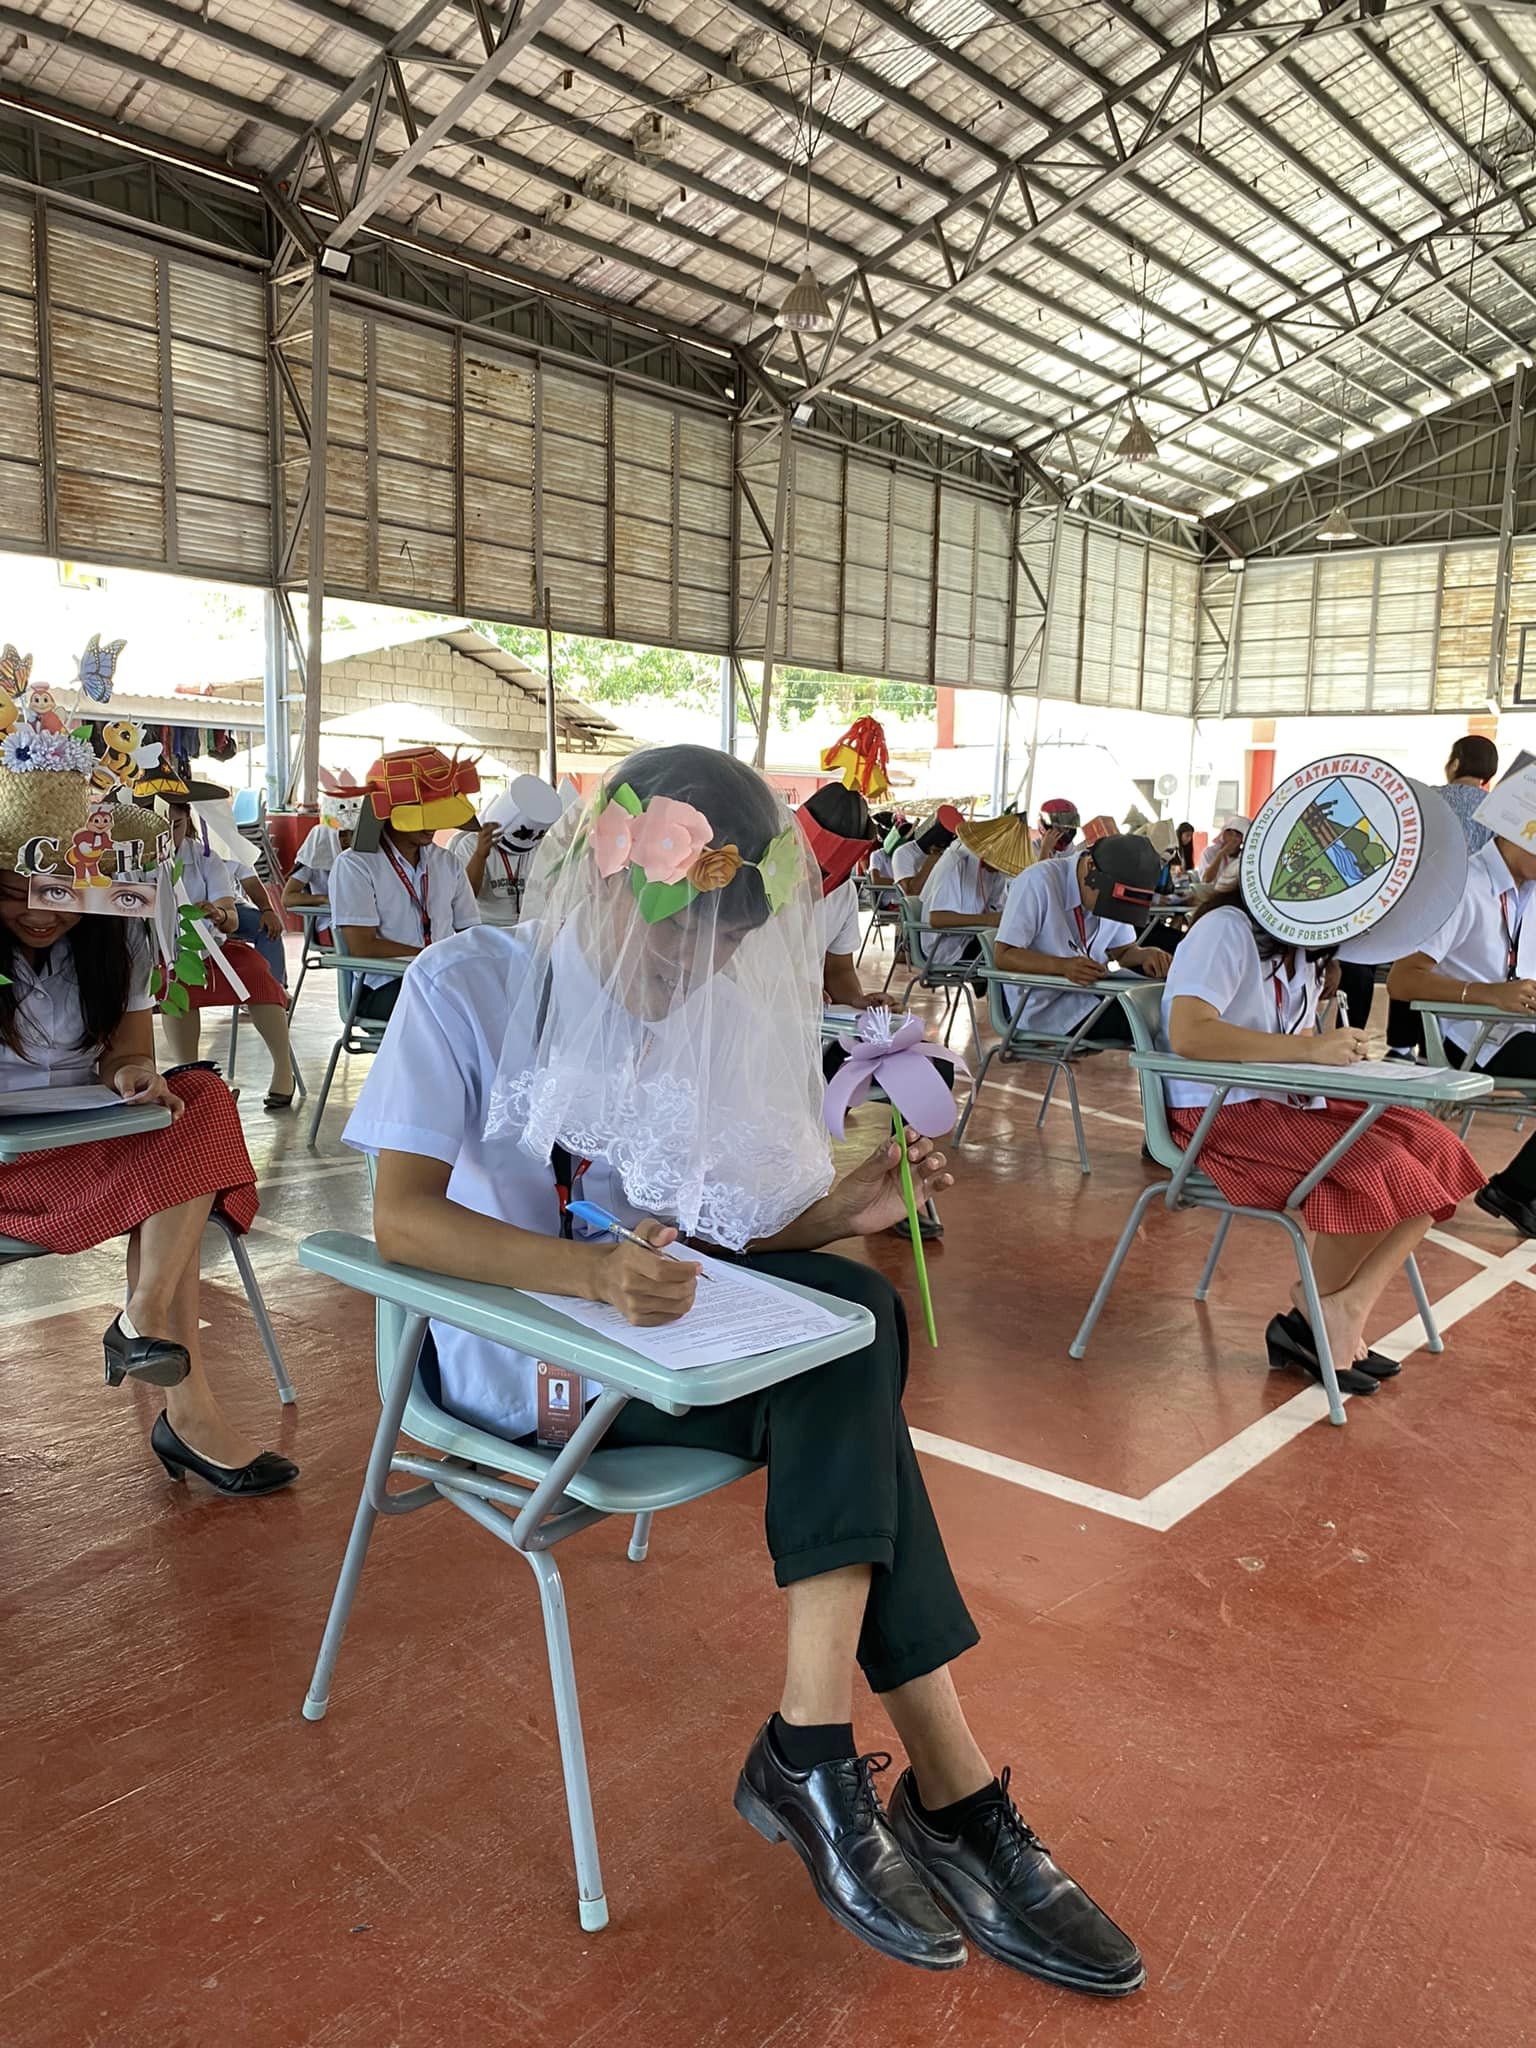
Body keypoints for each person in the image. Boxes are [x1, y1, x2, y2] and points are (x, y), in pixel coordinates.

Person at [345, 744, 1143, 1992]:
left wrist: (846, 1209)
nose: (692, 980)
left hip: (659, 1342)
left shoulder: (686, 1011)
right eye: (679, 949)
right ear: (607, 882)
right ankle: (941, 1789)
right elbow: (400, 1220)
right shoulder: (465, 988)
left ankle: (828, 1750)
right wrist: (593, 1277)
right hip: (526, 1360)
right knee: (853, 1352)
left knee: (855, 1313)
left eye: (719, 954)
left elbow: (712, 1230)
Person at [0, 740, 296, 1496]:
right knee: (177, 1186)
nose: (39, 911)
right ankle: (180, 1399)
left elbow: (125, 1056)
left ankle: (143, 1314)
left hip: (88, 1141)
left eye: (61, 891)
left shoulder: (118, 932)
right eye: (14, 889)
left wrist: (136, 1078)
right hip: (11, 1167)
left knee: (200, 1101)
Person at [1161, 883, 1484, 1394]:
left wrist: (1329, 1043)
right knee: (1376, 1167)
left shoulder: (1307, 950)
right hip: (1223, 1109)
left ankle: (1335, 1310)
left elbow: (1295, 1039)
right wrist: (1308, 1049)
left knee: (1437, 1150)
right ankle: (1325, 1319)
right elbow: (1189, 1035)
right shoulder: (1225, 931)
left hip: (1287, 1097)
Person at [1387, 772, 1536, 1238]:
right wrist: (1487, 995)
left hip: (1514, 1029)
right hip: (1467, 1039)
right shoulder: (1463, 886)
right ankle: (1514, 1189)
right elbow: (1401, 979)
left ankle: (1517, 1188)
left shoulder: (1529, 892)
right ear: (1518, 831)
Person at [140, 771, 296, 1112]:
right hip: (153, 956)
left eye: (176, 825)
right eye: (160, 826)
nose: (168, 835)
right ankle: (191, 1076)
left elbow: (232, 913)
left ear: (187, 820)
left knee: (256, 970)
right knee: (175, 980)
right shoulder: (131, 859)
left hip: (212, 949)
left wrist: (219, 915)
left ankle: (283, 1069)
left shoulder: (207, 856)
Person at [329, 747, 481, 1024]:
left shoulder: (447, 862)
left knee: (505, 1001)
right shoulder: (355, 865)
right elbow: (362, 947)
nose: (432, 825)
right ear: (389, 812)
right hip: (386, 984)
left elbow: (470, 931)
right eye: (423, 815)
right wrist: (432, 956)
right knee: (462, 1013)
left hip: (444, 977)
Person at [1385, 735, 1501, 1059]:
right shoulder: (1495, 811)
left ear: (1455, 763)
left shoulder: (1429, 800)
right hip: (1476, 908)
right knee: (1450, 976)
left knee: (1411, 966)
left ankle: (1400, 1045)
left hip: (1425, 901)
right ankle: (1437, 1050)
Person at [995, 835, 1169, 1045]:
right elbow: (1003, 955)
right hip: (1043, 1005)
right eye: (1109, 903)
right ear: (1090, 868)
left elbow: (1123, 953)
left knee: (1167, 1002)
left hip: (1091, 992)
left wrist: (1146, 955)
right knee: (1157, 1020)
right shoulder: (1038, 881)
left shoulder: (1116, 886)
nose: (1112, 912)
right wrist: (1062, 966)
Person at [798, 781, 881, 1009]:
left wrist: (857, 1001)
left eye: (828, 875)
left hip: (805, 1020)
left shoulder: (843, 893)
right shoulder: (756, 875)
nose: (817, 884)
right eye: (812, 867)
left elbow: (838, 969)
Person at [449, 773, 563, 927]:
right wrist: (480, 856)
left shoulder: (543, 848)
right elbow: (466, 898)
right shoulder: (470, 844)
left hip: (529, 928)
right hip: (486, 929)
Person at [920, 812, 1031, 968]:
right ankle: (997, 991)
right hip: (945, 946)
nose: (1001, 869)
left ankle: (1000, 990)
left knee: (1023, 949)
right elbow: (937, 919)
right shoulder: (955, 862)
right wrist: (987, 920)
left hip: (972, 936)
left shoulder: (996, 870)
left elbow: (997, 906)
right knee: (1008, 958)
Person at [892, 807, 959, 898]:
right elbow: (911, 893)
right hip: (922, 907)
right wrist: (930, 862)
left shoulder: (948, 854)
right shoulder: (903, 853)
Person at [1197, 815, 1249, 889]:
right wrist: (1221, 854)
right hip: (1211, 895)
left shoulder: (1244, 857)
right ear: (1223, 835)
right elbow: (1206, 880)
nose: (1233, 839)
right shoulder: (1209, 852)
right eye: (1230, 834)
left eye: (1237, 835)